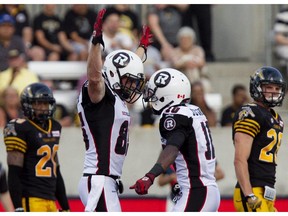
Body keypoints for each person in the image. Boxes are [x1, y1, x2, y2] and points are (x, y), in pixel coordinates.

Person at [77, 9, 152, 212]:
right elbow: (94, 77)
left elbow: (125, 68)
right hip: (98, 178)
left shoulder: (116, 95)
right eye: (129, 81)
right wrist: (96, 41)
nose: (132, 86)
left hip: (105, 179)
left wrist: (142, 48)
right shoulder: (99, 93)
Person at [130, 68, 220, 211]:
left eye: (154, 93)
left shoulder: (174, 114)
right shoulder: (192, 111)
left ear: (166, 94)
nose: (150, 97)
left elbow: (172, 148)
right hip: (205, 189)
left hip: (195, 191)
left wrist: (150, 176)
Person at [3, 83, 70, 212]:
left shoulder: (55, 126)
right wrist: (17, 206)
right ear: (27, 105)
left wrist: (65, 206)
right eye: (38, 103)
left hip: (51, 199)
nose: (43, 107)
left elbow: (56, 169)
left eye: (45, 103)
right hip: (31, 198)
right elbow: (14, 172)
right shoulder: (20, 128)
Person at [233, 66, 286, 212]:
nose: (273, 92)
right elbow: (240, 159)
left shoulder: (276, 118)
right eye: (268, 87)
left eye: (277, 88)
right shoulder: (251, 113)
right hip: (252, 190)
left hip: (267, 190)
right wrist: (249, 194)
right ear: (256, 88)